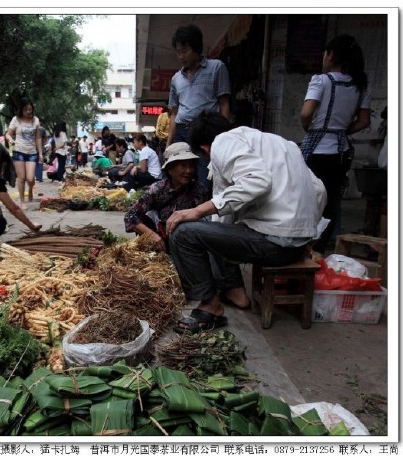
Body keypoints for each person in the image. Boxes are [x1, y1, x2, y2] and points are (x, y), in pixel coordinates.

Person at [167, 111, 326, 333]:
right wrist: (306, 234)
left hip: (273, 244)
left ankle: (211, 306)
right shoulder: (284, 144)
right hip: (296, 246)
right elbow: (319, 190)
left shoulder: (223, 142)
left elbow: (257, 181)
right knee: (217, 225)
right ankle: (236, 292)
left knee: (183, 233)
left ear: (205, 148)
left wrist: (197, 211)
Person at [299, 34, 371, 256]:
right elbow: (364, 120)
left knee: (309, 196)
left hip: (317, 149)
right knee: (331, 200)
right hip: (340, 152)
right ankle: (322, 246)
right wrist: (341, 130)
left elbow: (306, 112)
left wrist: (310, 127)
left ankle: (304, 243)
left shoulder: (321, 81)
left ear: (330, 55)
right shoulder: (360, 85)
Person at [166, 24, 231, 191]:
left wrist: (224, 137)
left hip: (205, 131)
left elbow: (224, 103)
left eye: (185, 51)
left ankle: (202, 215)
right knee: (178, 178)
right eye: (178, 52)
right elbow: (174, 113)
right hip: (181, 131)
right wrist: (169, 144)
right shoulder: (176, 79)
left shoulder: (216, 67)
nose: (181, 56)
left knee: (205, 177)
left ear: (196, 48)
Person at [124, 142, 210, 252]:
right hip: (160, 242)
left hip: (188, 245)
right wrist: (152, 235)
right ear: (170, 169)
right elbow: (130, 216)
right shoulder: (157, 189)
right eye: (183, 166)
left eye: (191, 165)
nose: (189, 171)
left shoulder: (200, 190)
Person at [5, 99, 44, 209]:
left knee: (31, 178)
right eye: (26, 110)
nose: (28, 112)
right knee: (21, 177)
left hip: (32, 152)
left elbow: (38, 137)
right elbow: (8, 134)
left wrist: (40, 153)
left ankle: (30, 189)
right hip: (18, 150)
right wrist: (10, 140)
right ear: (21, 110)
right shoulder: (16, 120)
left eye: (30, 109)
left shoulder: (35, 120)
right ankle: (22, 201)